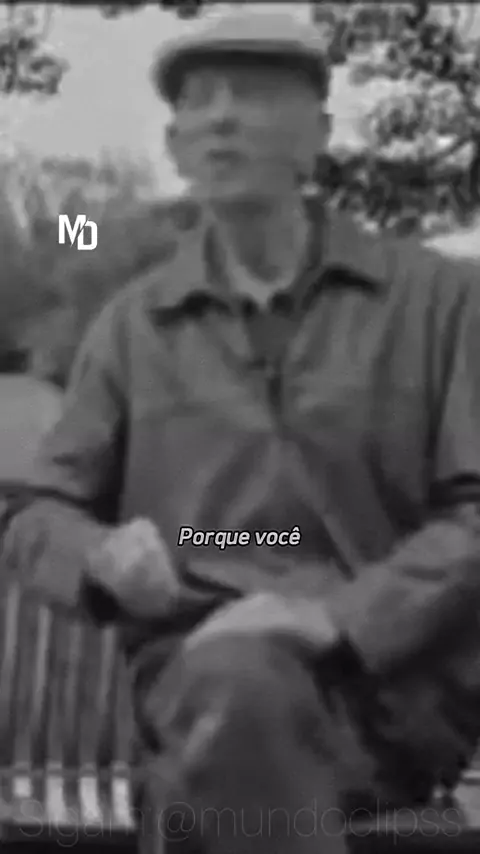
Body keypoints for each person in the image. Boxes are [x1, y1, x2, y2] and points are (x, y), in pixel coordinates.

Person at [2, 9, 480, 854]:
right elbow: (35, 512)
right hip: (195, 674)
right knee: (231, 691)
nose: (221, 117)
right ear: (177, 146)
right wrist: (100, 556)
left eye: (254, 93)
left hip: (387, 693)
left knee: (219, 746)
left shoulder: (441, 303)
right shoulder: (132, 327)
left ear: (318, 135)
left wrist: (331, 617)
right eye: (197, 100)